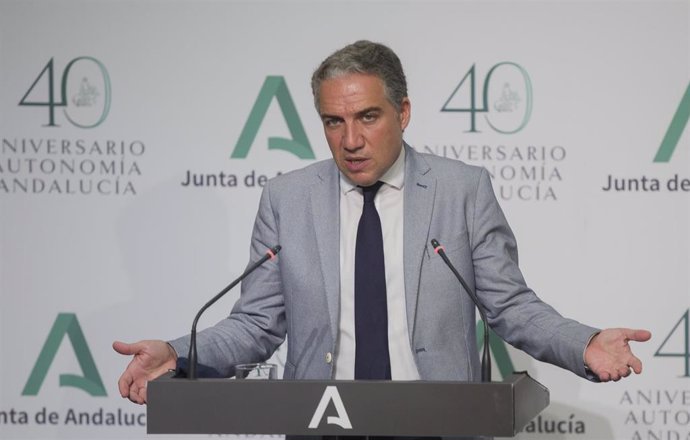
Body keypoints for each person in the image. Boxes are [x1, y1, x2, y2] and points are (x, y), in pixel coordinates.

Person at [113, 40, 651, 406]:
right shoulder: (287, 199)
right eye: (334, 121)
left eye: (367, 117)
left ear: (403, 112)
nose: (350, 140)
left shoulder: (462, 190)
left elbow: (509, 307)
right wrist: (180, 353)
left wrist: (583, 344)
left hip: (437, 424)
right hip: (319, 424)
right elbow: (255, 326)